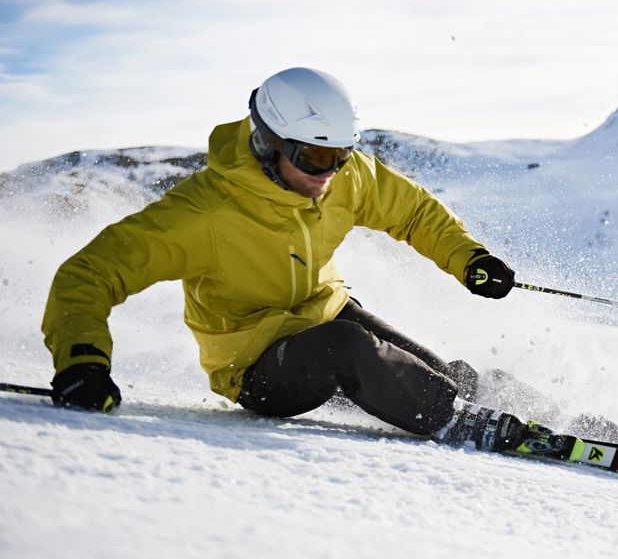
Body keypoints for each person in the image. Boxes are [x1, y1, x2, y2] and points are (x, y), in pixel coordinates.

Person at [41, 67, 531, 451]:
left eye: (340, 155)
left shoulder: (341, 176)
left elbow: (414, 212)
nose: (330, 172)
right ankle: (470, 425)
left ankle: (534, 414)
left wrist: (469, 258)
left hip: (328, 315)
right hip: (256, 365)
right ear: (268, 142)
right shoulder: (203, 214)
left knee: (437, 378)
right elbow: (90, 273)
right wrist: (82, 362)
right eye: (316, 158)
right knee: (350, 347)